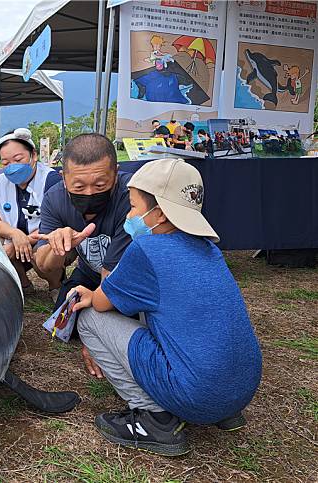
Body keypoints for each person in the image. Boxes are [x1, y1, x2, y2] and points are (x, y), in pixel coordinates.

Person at [70, 158, 262, 456]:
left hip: (197, 395)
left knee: (90, 319)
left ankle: (154, 419)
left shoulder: (146, 248)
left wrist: (90, 294)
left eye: (133, 207)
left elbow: (100, 302)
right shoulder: (208, 248)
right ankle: (223, 412)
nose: (129, 216)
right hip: (241, 391)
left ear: (157, 214)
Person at [36, 133, 132, 312]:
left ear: (116, 173)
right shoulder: (54, 199)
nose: (89, 193)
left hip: (125, 277)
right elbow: (44, 265)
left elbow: (110, 273)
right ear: (64, 178)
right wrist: (58, 246)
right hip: (88, 273)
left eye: (100, 185)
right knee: (65, 316)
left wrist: (98, 301)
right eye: (79, 186)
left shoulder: (132, 196)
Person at [0, 128, 64, 296]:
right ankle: (24, 285)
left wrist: (23, 240)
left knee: (43, 259)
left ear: (33, 156)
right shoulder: (0, 183)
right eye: (5, 163)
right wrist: (14, 234)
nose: (12, 167)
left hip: (45, 238)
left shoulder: (50, 180)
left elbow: (55, 224)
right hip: (15, 240)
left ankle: (56, 286)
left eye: (18, 159)